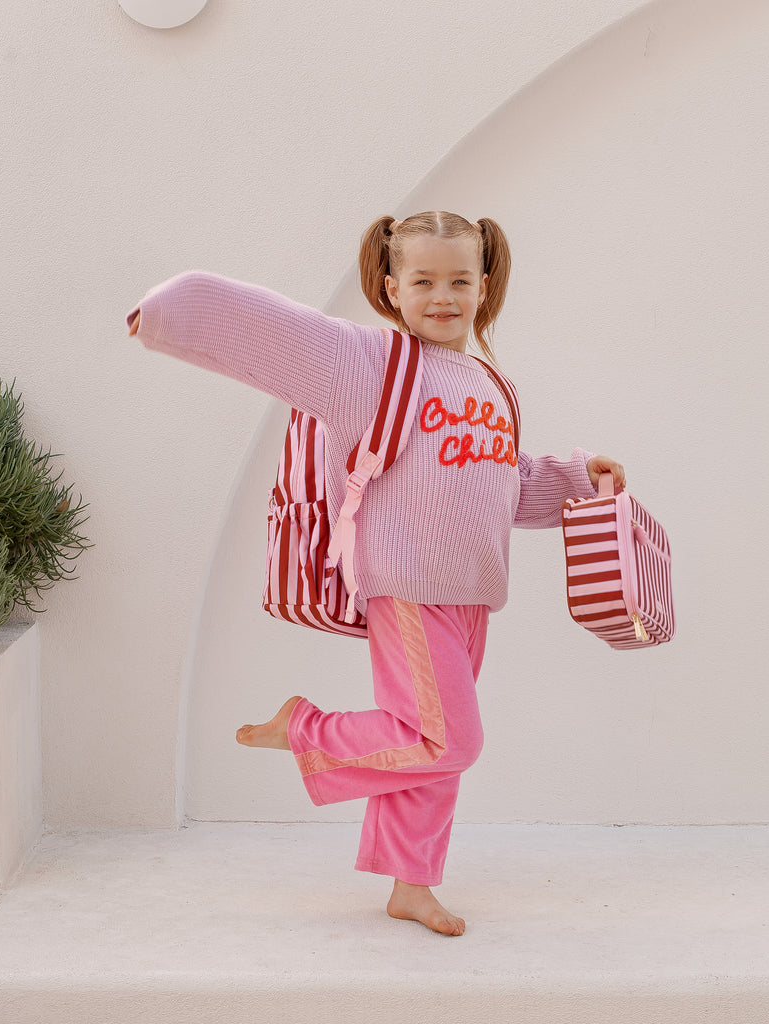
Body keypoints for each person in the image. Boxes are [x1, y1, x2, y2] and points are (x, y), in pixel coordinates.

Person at [127, 211, 625, 936]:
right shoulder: (372, 365)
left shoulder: (492, 383)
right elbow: (279, 334)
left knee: (430, 752)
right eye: (423, 280)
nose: (443, 296)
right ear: (391, 288)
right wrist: (174, 315)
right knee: (448, 737)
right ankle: (305, 730)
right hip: (409, 584)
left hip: (473, 593)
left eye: (460, 280)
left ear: (484, 286)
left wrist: (577, 478)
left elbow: (503, 482)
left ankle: (411, 885)